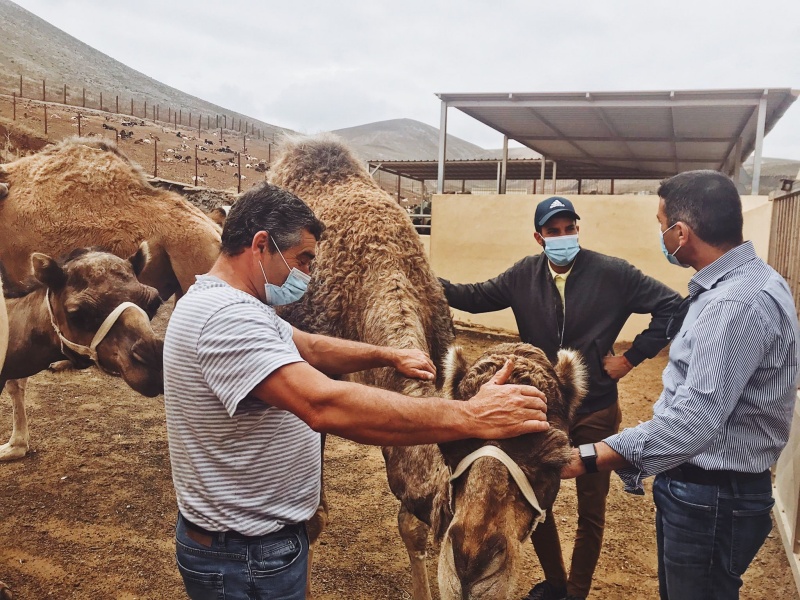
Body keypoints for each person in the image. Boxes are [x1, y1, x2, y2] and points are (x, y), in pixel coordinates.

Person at [163, 182, 551, 600]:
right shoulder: (226, 319)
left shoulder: (237, 305)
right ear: (260, 245)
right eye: (302, 259)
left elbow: (310, 346)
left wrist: (387, 355)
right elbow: (322, 404)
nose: (306, 274)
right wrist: (472, 416)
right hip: (245, 557)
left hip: (258, 545)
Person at [561, 170, 800, 600]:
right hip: (711, 492)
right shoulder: (752, 282)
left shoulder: (734, 304)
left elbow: (692, 423)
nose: (662, 236)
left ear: (681, 233)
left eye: (661, 225)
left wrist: (590, 457)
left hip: (710, 498)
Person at [439, 196, 683, 600]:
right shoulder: (523, 275)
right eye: (553, 231)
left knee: (591, 507)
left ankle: (576, 591)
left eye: (569, 228)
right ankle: (554, 581)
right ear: (539, 238)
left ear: (577, 229)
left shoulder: (613, 273)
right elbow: (474, 297)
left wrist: (631, 358)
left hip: (595, 408)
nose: (563, 236)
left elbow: (673, 306)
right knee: (535, 498)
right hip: (539, 411)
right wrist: (424, 278)